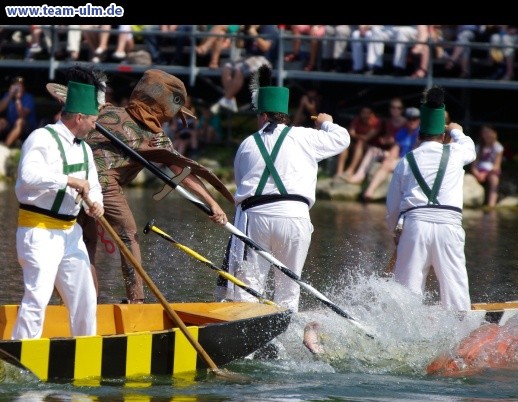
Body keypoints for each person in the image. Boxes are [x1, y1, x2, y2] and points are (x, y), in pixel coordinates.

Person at [50, 68, 234, 304]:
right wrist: (212, 204)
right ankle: (136, 301)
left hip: (73, 182)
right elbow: (183, 172)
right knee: (128, 235)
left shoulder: (106, 112)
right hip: (103, 185)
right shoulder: (154, 136)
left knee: (86, 243)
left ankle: (86, 303)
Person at [225, 64, 350, 312]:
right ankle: (282, 338)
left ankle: (247, 343)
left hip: (255, 218)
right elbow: (342, 139)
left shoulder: (247, 143)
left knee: (248, 288)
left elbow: (241, 186)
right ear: (284, 114)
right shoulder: (305, 136)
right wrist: (326, 123)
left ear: (262, 115)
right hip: (295, 219)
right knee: (288, 289)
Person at [12, 81, 104, 339]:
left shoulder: (85, 149)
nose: (95, 125)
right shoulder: (41, 138)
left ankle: (86, 349)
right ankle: (19, 359)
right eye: (93, 120)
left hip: (70, 233)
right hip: (39, 230)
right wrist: (68, 180)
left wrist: (96, 205)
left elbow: (93, 186)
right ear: (79, 117)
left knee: (86, 297)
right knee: (38, 296)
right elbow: (28, 175)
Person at [385, 85, 476, 312]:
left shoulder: (406, 160)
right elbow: (470, 149)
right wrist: (457, 131)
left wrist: (395, 233)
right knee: (455, 289)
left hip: (414, 227)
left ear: (419, 135)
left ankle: (403, 332)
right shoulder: (455, 153)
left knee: (407, 291)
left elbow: (393, 206)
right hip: (449, 227)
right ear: (443, 136)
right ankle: (461, 331)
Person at [211, 25, 279, 114]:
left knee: (240, 69)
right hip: (248, 57)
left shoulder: (269, 29)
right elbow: (239, 45)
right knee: (226, 67)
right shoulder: (249, 28)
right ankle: (229, 98)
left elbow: (265, 47)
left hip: (264, 59)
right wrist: (240, 32)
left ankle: (225, 99)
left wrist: (254, 33)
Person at [470, 124, 504, 207]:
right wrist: (477, 174)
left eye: (489, 132)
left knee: (494, 180)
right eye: (485, 133)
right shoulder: (478, 147)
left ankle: (491, 204)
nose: (487, 135)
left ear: (494, 134)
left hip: (491, 171)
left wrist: (485, 174)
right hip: (479, 171)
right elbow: (474, 165)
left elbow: (497, 165)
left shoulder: (498, 147)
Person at [0, 76, 37, 148]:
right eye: (15, 85)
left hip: (26, 127)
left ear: (24, 88)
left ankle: (5, 147)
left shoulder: (29, 98)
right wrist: (10, 96)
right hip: (11, 124)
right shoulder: (8, 95)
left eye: (20, 86)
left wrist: (18, 99)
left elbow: (22, 115)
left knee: (20, 121)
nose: (17, 88)